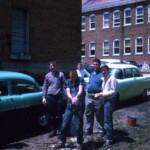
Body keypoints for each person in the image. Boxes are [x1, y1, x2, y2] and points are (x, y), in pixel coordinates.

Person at [58, 70, 85, 148]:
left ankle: (80, 142)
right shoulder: (67, 81)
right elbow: (67, 91)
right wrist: (72, 99)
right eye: (71, 77)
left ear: (76, 75)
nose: (72, 78)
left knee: (78, 125)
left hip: (79, 106)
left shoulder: (81, 80)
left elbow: (80, 89)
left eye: (74, 77)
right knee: (64, 123)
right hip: (70, 106)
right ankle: (61, 141)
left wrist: (77, 97)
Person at [95, 64, 118, 146]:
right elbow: (105, 89)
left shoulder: (112, 79)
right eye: (102, 71)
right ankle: (109, 136)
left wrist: (102, 94)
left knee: (108, 121)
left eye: (104, 70)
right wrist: (101, 93)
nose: (103, 72)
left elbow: (113, 91)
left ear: (108, 70)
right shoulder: (105, 78)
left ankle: (109, 139)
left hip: (110, 101)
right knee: (105, 119)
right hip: (105, 100)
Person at [42, 61, 66, 138]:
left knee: (59, 115)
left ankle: (60, 131)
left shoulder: (61, 74)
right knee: (51, 115)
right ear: (49, 67)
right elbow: (45, 87)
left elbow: (64, 85)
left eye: (54, 65)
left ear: (56, 66)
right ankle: (53, 130)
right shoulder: (47, 75)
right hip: (50, 97)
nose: (52, 67)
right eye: (51, 66)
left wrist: (66, 96)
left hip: (59, 96)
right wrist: (43, 97)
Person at [85, 58, 104, 136]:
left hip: (97, 97)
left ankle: (101, 130)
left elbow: (104, 86)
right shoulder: (92, 73)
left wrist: (101, 94)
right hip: (89, 96)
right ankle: (89, 129)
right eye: (94, 64)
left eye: (96, 64)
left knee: (99, 114)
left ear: (99, 65)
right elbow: (89, 83)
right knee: (88, 114)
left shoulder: (102, 74)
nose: (95, 66)